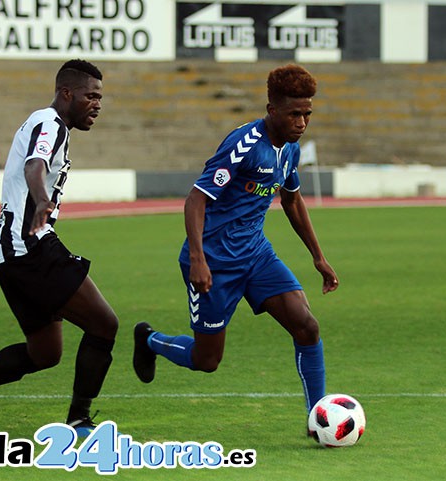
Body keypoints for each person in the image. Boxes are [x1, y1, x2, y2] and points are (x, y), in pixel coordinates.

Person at [133, 64, 339, 426]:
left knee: (306, 326)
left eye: (307, 114)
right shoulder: (243, 145)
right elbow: (196, 198)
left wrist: (318, 257)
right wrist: (198, 259)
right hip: (214, 262)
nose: (302, 122)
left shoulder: (290, 149)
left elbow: (291, 199)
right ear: (272, 110)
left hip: (256, 255)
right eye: (294, 114)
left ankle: (317, 417)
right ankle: (150, 340)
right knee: (206, 360)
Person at [0, 59, 118, 437]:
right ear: (67, 93)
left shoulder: (47, 122)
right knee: (104, 323)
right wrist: (43, 199)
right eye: (91, 96)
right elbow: (34, 165)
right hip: (30, 248)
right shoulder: (51, 123)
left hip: (10, 255)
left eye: (100, 98)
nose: (97, 104)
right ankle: (78, 421)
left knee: (45, 353)